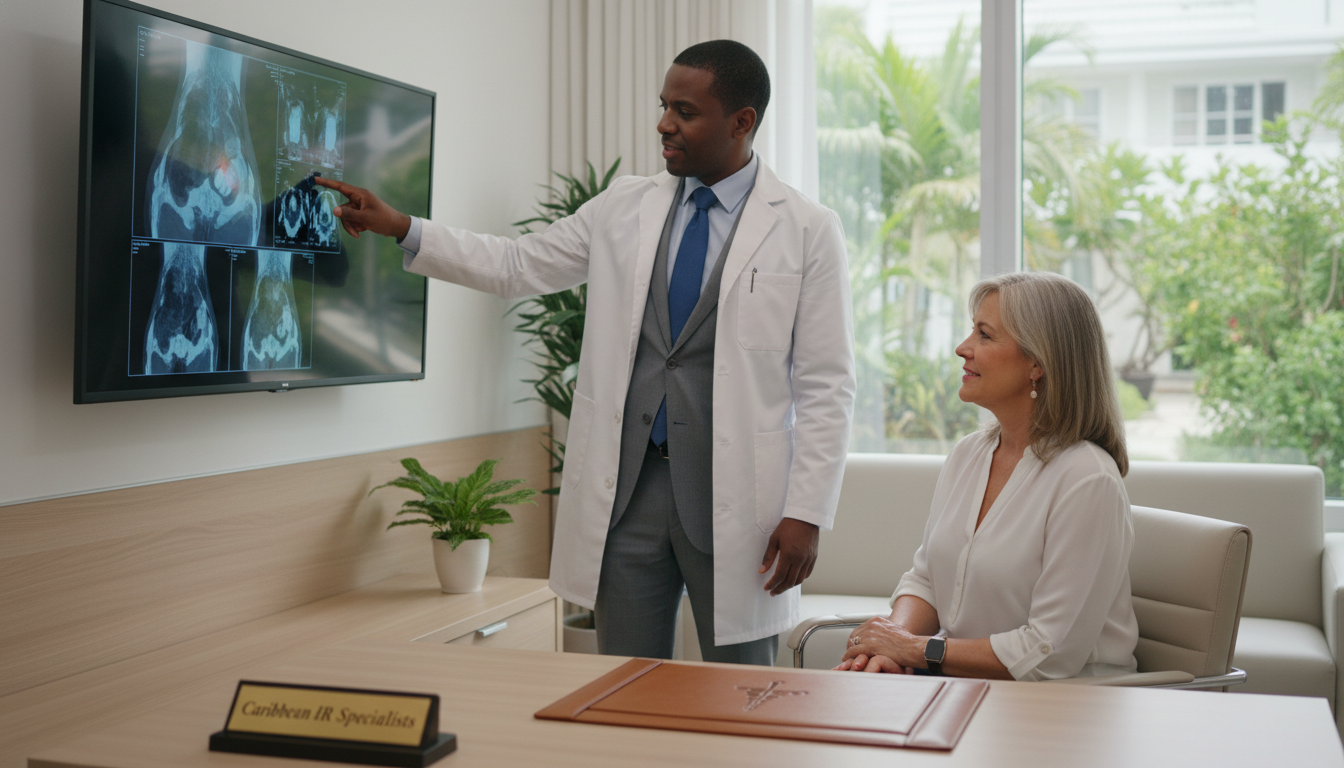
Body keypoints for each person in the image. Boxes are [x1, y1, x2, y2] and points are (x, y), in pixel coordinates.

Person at [315, 40, 855, 666]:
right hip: (626, 496)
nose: (664, 124)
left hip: (736, 502)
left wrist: (806, 513)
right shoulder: (624, 205)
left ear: (742, 122)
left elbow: (827, 386)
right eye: (663, 106)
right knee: (623, 683)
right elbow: (518, 265)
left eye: (684, 111)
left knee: (742, 693)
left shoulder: (807, 229)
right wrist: (403, 227)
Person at [837, 271, 1138, 681]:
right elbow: (927, 582)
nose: (963, 348)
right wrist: (886, 646)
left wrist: (911, 649)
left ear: (1037, 363)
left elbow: (1047, 654)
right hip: (959, 683)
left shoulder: (1088, 479)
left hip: (1059, 703)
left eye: (984, 335)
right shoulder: (969, 454)